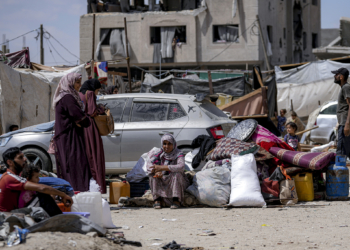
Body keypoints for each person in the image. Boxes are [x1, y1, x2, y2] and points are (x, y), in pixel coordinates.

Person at [0, 147, 72, 212]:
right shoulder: (9, 178)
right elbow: (42, 188)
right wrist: (63, 195)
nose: (25, 159)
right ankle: (59, 221)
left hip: (17, 210)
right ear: (10, 162)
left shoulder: (16, 175)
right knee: (43, 195)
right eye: (20, 157)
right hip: (8, 214)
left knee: (45, 194)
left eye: (23, 156)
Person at [52, 73, 92, 192]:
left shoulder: (68, 96)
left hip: (70, 136)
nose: (80, 85)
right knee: (76, 164)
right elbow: (80, 117)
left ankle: (74, 191)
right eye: (77, 82)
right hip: (69, 137)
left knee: (73, 164)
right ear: (70, 83)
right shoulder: (67, 98)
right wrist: (86, 120)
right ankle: (77, 191)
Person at [146, 134, 189, 209]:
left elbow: (181, 167)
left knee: (177, 173)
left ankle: (176, 200)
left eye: (169, 144)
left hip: (175, 180)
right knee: (152, 175)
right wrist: (156, 172)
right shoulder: (159, 153)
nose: (167, 146)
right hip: (162, 178)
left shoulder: (179, 153)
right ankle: (157, 200)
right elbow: (149, 165)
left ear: (174, 144)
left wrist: (162, 168)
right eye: (164, 144)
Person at [79, 79, 107, 193]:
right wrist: (101, 109)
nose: (97, 92)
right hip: (90, 127)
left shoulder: (79, 94)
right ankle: (98, 185)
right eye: (97, 90)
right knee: (95, 156)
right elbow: (92, 111)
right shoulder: (90, 94)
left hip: (82, 127)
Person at [332, 67, 350, 156]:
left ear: (341, 76)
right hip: (342, 123)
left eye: (336, 75)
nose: (334, 76)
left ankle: (340, 169)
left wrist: (347, 124)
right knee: (345, 149)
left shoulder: (346, 87)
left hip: (344, 123)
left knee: (341, 150)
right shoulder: (343, 87)